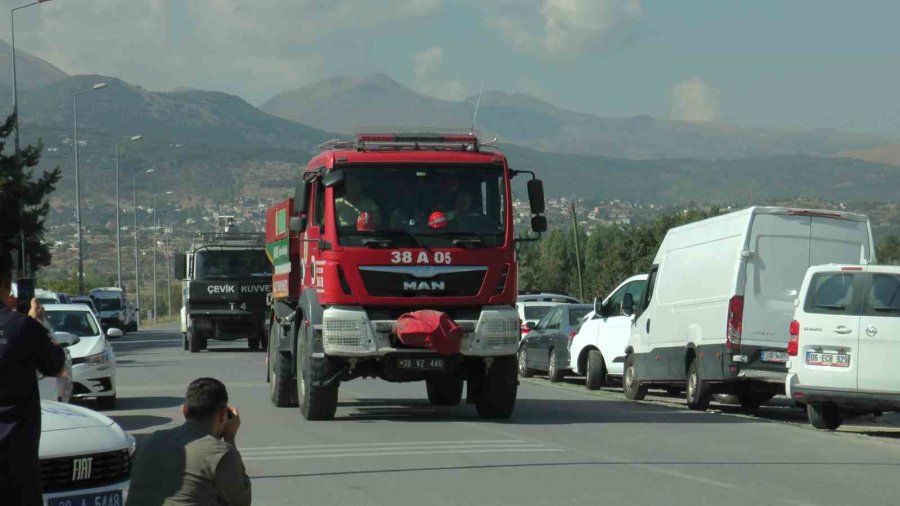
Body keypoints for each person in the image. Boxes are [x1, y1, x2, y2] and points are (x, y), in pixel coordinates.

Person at [0, 252, 67, 506]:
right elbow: (55, 364)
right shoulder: (22, 327)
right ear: (8, 283)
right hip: (15, 457)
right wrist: (38, 323)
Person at [126, 377, 251, 506]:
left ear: (184, 411)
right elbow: (241, 501)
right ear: (223, 415)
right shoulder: (219, 453)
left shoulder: (149, 442)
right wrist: (229, 437)